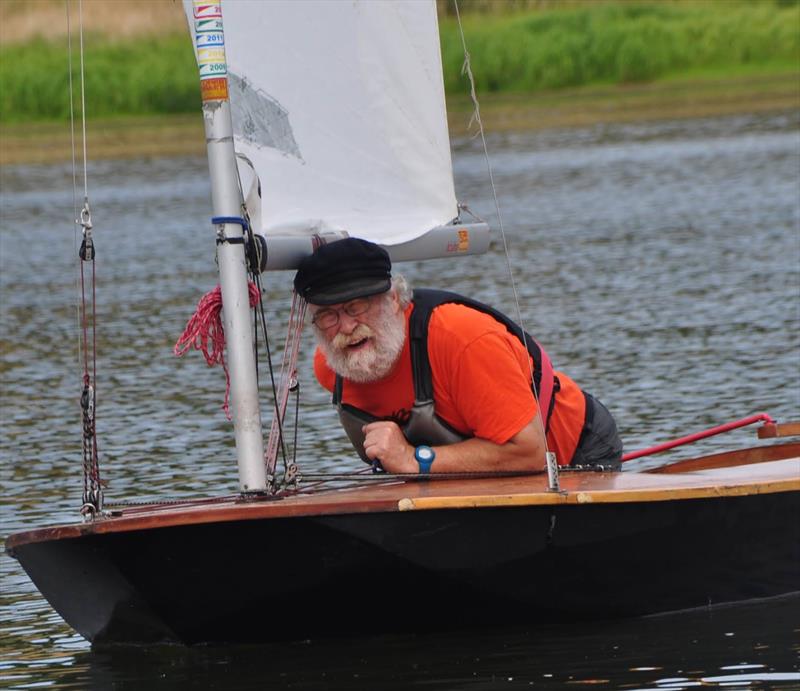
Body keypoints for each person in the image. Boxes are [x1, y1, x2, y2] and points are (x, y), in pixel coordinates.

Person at [294, 238, 623, 475]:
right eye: (328, 316)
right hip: (461, 478)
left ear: (393, 300)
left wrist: (414, 459)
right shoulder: (331, 368)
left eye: (356, 307)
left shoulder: (462, 340)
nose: (346, 327)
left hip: (572, 454)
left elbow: (531, 453)